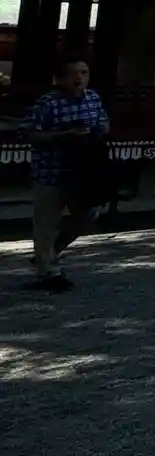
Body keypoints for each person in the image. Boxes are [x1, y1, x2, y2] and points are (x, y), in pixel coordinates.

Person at [25, 57, 110, 292]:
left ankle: (49, 253)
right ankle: (48, 273)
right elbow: (28, 133)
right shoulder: (48, 103)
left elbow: (104, 122)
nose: (79, 78)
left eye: (84, 72)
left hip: (83, 170)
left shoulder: (93, 98)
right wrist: (62, 135)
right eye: (73, 73)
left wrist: (96, 131)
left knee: (87, 215)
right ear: (60, 78)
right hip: (51, 170)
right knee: (46, 222)